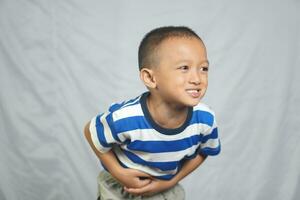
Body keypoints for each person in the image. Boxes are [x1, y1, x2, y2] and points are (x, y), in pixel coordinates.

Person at [84, 26, 221, 200]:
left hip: (163, 188)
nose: (197, 79)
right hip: (120, 188)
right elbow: (90, 131)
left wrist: (171, 181)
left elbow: (204, 151)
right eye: (184, 67)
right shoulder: (127, 118)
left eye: (204, 68)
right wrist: (118, 172)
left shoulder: (205, 119)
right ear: (150, 78)